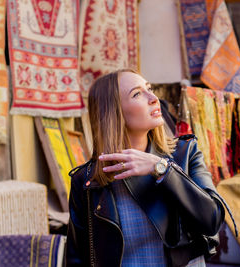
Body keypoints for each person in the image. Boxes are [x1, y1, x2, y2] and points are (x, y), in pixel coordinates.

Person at [66, 69, 230, 267]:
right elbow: (77, 258)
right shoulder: (87, 181)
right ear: (112, 112)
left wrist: (162, 169)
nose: (154, 98)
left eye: (149, 89)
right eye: (137, 94)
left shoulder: (185, 153)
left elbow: (212, 220)